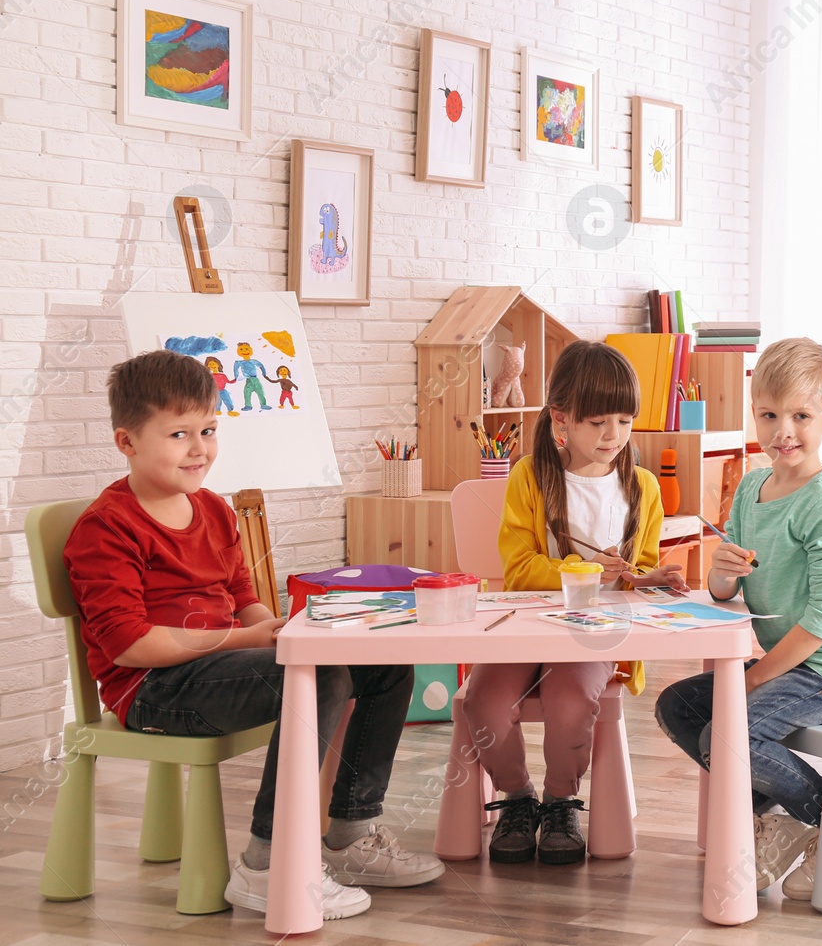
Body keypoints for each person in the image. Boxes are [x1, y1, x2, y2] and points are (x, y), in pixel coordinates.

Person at [63, 349, 441, 920]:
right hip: (153, 689)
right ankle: (269, 862)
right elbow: (130, 646)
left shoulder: (212, 509)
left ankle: (351, 835)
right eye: (179, 434)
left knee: (383, 663)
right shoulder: (107, 527)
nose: (200, 449)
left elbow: (241, 596)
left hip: (216, 673)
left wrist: (276, 628)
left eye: (209, 430)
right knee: (317, 679)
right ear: (127, 442)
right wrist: (255, 641)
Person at [655, 337, 822, 901]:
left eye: (801, 416)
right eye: (769, 415)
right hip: (789, 663)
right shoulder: (752, 488)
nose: (783, 430)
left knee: (730, 734)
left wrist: (755, 677)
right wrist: (722, 570)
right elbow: (723, 591)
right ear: (754, 414)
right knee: (677, 708)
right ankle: (782, 819)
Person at [462, 341, 685, 864]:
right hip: (524, 626)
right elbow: (518, 572)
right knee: (483, 702)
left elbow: (637, 572)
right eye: (598, 422)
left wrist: (648, 578)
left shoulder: (642, 488)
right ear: (562, 419)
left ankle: (562, 800)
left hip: (595, 631)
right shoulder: (530, 477)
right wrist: (578, 571)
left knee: (569, 700)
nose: (614, 436)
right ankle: (517, 798)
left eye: (625, 421)